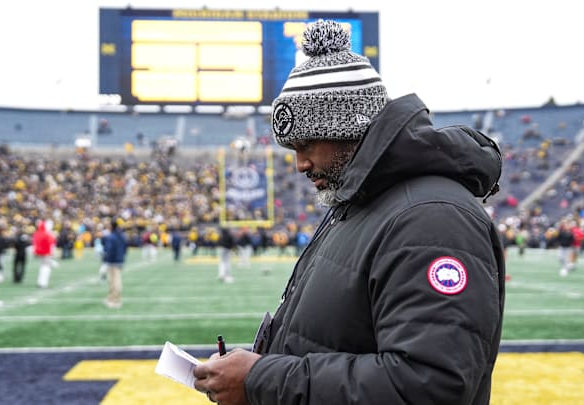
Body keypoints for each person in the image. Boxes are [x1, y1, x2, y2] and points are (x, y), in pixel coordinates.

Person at [193, 20, 505, 405]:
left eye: (307, 144)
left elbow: (428, 385)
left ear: (350, 128)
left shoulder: (431, 218)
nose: (300, 164)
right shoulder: (359, 203)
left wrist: (262, 379)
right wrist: (258, 367)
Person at [102, 219, 127, 309]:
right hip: (120, 260)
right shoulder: (122, 235)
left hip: (113, 261)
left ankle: (116, 301)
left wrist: (105, 260)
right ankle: (110, 298)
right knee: (113, 281)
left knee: (115, 281)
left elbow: (108, 250)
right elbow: (125, 248)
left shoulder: (111, 237)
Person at [33, 220, 56, 288]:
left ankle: (41, 282)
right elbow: (51, 244)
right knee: (46, 268)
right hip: (46, 253)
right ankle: (43, 283)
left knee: (43, 267)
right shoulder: (47, 234)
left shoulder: (37, 233)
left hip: (40, 253)